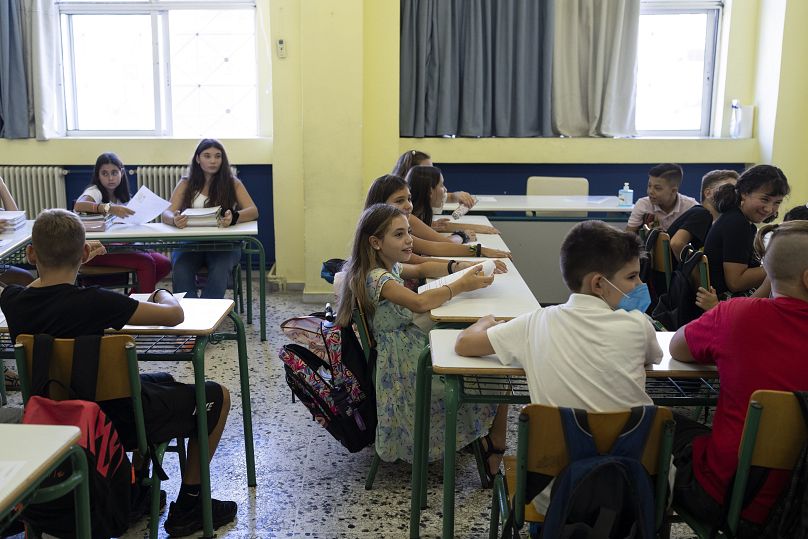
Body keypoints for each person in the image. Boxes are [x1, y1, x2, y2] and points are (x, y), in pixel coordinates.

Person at [0, 209, 237, 537]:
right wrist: (162, 293)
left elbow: (45, 292)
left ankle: (136, 490)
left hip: (53, 419)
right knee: (216, 396)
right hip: (118, 422)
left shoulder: (14, 302)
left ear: (30, 254)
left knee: (162, 382)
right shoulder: (98, 302)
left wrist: (71, 263)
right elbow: (174, 315)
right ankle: (191, 504)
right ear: (84, 254)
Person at [455, 220, 662, 514]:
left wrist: (485, 321)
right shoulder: (638, 325)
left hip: (553, 492)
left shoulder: (535, 322)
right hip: (636, 485)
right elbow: (651, 358)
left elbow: (464, 344)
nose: (640, 286)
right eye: (632, 277)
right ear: (599, 283)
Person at [334, 203, 509, 478]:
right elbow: (418, 302)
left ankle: (489, 439)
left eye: (408, 232)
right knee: (489, 362)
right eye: (400, 234)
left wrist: (462, 268)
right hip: (406, 363)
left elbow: (423, 267)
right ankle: (493, 442)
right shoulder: (376, 277)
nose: (409, 240)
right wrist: (460, 285)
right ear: (376, 242)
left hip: (407, 347)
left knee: (477, 342)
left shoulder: (385, 268)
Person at [668, 219, 808, 537]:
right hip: (799, 508)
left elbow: (678, 348)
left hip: (733, 497)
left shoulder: (736, 315)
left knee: (657, 423)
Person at [161, 139, 258, 298]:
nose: (213, 160)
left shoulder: (232, 182)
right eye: (207, 156)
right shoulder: (186, 183)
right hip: (191, 241)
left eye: (217, 156)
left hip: (225, 242)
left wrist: (234, 217)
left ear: (222, 159)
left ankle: (210, 314)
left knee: (220, 268)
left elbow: (253, 211)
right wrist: (174, 219)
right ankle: (188, 313)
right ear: (198, 159)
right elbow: (167, 213)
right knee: (181, 268)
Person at [74, 152, 171, 293]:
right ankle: (144, 309)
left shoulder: (122, 196)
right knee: (146, 262)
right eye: (104, 174)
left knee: (164, 264)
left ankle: (133, 301)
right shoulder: (95, 191)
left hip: (118, 245)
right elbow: (79, 205)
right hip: (94, 251)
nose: (110, 178)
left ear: (122, 172)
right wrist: (109, 208)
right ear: (98, 175)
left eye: (114, 173)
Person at [365, 175, 510, 259]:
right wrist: (476, 249)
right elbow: (431, 254)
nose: (409, 205)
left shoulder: (401, 222)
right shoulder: (390, 234)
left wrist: (478, 251)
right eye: (399, 201)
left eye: (409, 199)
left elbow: (434, 248)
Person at [703, 164, 789, 299]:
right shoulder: (737, 223)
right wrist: (778, 266)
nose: (769, 209)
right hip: (723, 302)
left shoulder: (742, 221)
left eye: (777, 202)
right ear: (744, 193)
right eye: (765, 199)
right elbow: (736, 282)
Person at [405, 165, 500, 238]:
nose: (445, 189)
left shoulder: (418, 213)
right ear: (430, 191)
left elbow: (444, 227)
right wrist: (463, 236)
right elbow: (444, 243)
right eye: (442, 185)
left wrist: (479, 228)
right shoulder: (410, 219)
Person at [666, 169, 740, 262]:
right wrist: (697, 274)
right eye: (727, 189)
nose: (732, 195)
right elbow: (676, 243)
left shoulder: (703, 214)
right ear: (708, 193)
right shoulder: (702, 215)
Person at [392, 149, 478, 209]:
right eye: (426, 170)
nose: (432, 173)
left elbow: (450, 197)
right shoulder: (401, 201)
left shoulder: (420, 194)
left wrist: (458, 195)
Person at [626, 163, 698, 233]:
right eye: (649, 186)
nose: (650, 191)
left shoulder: (691, 207)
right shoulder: (643, 205)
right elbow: (628, 237)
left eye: (657, 188)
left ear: (673, 191)